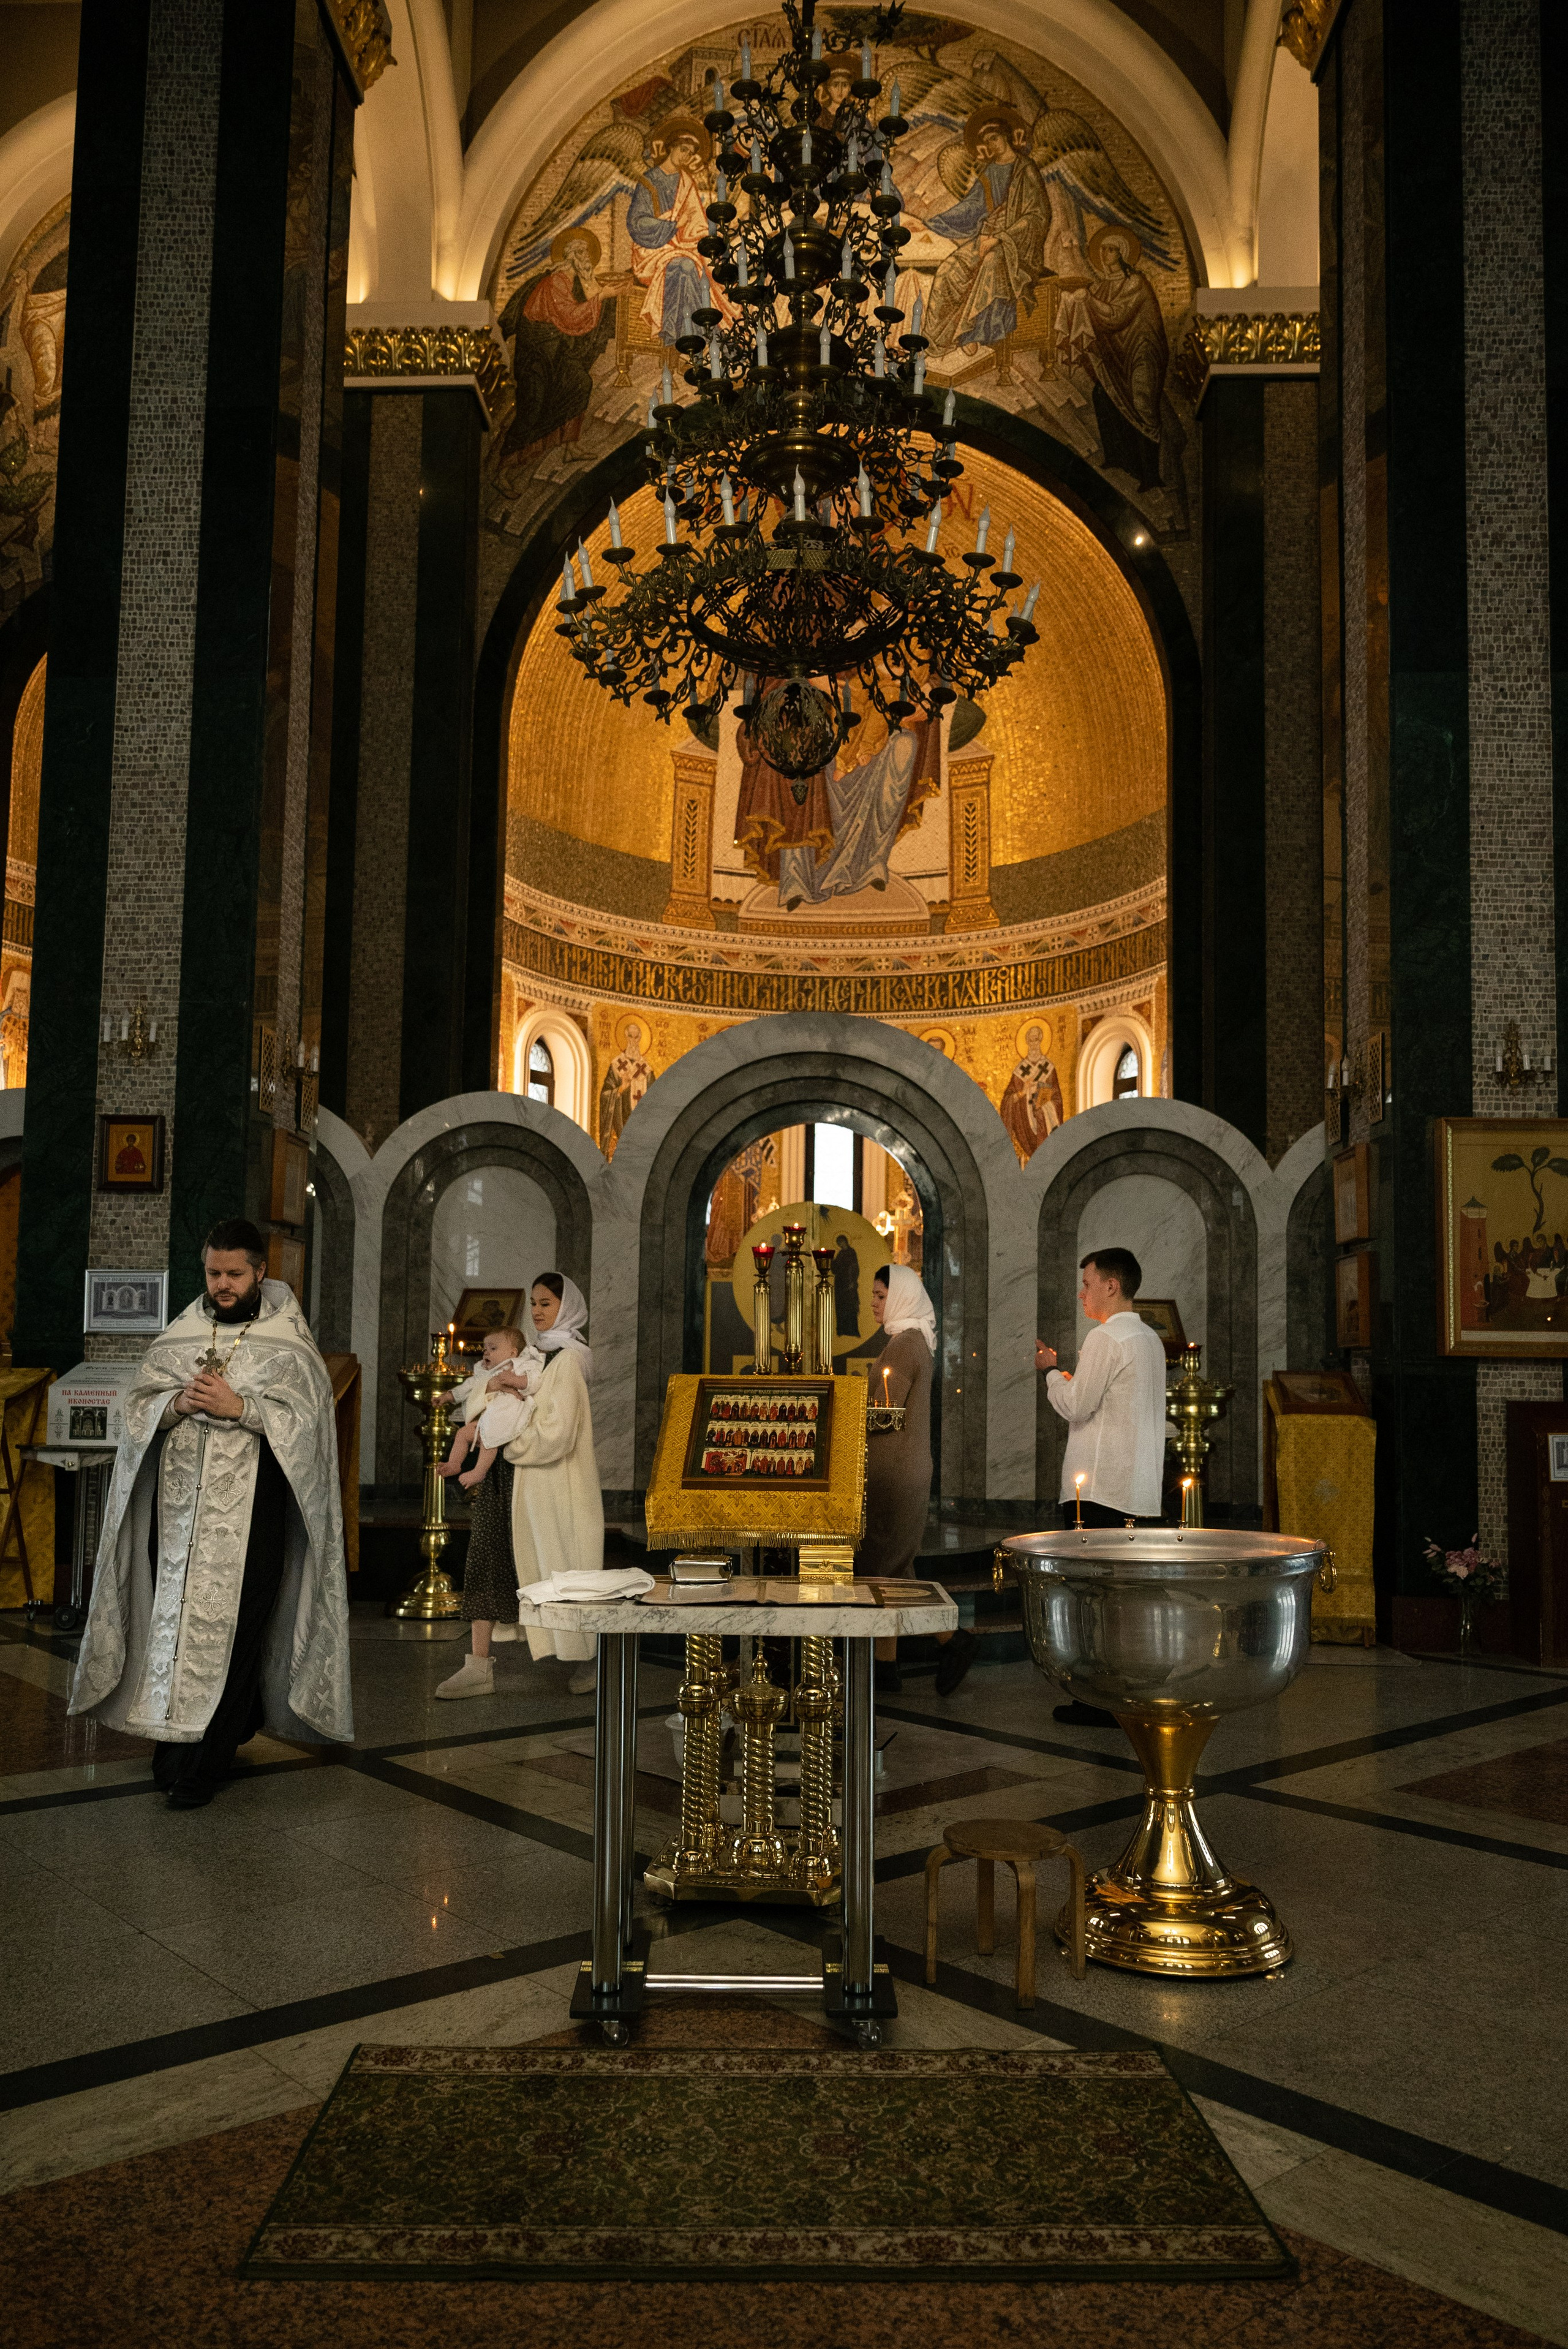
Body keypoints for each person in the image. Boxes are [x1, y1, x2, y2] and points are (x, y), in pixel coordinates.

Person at [69, 1218, 352, 1807]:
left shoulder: (289, 1344)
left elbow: (310, 1429)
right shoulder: (181, 1335)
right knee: (173, 1632)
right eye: (213, 1272)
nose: (222, 1284)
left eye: (234, 1274)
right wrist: (175, 1403)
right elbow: (138, 1407)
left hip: (253, 1521)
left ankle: (203, 1766)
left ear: (260, 1272)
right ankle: (175, 1747)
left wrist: (241, 1407)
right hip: (175, 1522)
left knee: (239, 1634)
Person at [437, 1272, 604, 1700]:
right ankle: (477, 1665)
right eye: (533, 1303)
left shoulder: (569, 1360)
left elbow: (558, 1432)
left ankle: (590, 1656)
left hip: (545, 1482)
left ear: (566, 1308)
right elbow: (484, 1399)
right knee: (485, 1561)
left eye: (546, 1303)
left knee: (564, 1572)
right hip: (503, 1478)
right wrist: (491, 1391)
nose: (536, 1311)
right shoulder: (529, 1353)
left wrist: (508, 1439)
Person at [1037, 1246, 1168, 1726]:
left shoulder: (1105, 1336)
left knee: (1091, 1596)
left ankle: (1097, 1700)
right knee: (1123, 1598)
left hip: (1097, 1491)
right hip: (1139, 1490)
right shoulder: (1150, 1339)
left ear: (1112, 1286)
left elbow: (1077, 1405)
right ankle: (1126, 1692)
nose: (1082, 1293)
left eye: (1088, 1283)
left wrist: (1051, 1371)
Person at [859, 1264, 935, 1695]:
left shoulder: (905, 1344)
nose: (874, 1302)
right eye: (873, 1295)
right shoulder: (911, 1339)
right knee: (894, 1565)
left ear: (902, 1296)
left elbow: (884, 1415)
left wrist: (844, 1410)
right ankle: (887, 1666)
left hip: (895, 1471)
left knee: (884, 1567)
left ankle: (952, 1641)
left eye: (881, 1295)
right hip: (901, 1467)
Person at [436, 1326, 545, 1491]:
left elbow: (534, 1381)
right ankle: (454, 1464)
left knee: (490, 1435)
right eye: (485, 1348)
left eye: (493, 1349)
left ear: (513, 1353)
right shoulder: (485, 1371)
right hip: (488, 1417)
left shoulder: (521, 1366)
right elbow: (468, 1387)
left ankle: (479, 1472)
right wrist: (448, 1397)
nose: (486, 1352)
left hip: (509, 1414)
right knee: (462, 1433)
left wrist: (515, 1380)